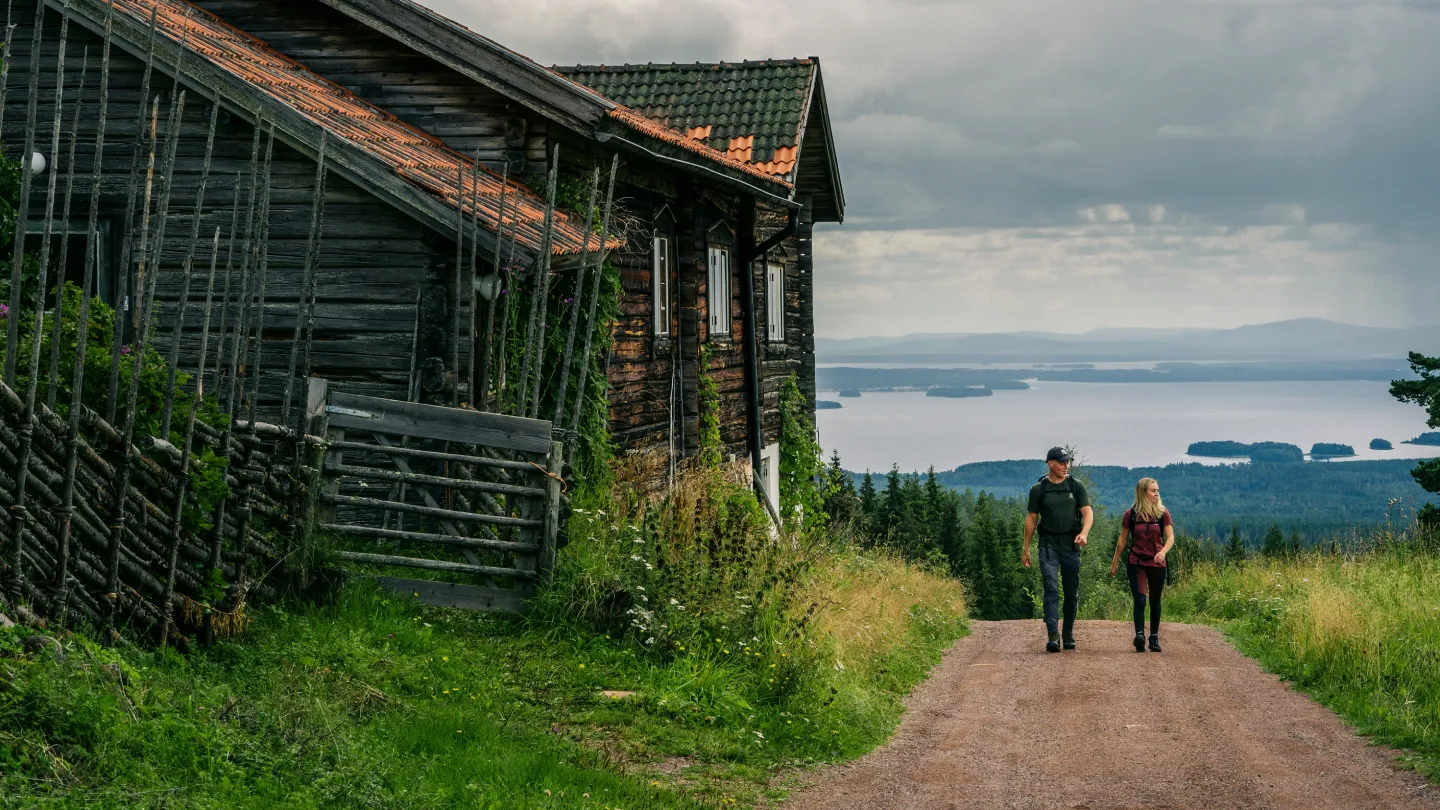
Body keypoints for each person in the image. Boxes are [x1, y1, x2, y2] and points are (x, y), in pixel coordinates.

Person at [1022, 447, 1093, 653]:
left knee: (1071, 593)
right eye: (1061, 462)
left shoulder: (1076, 486)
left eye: (1067, 462)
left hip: (1071, 545)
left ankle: (1068, 633)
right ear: (1050, 463)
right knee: (1051, 588)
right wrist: (1026, 548)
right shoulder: (1039, 489)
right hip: (1047, 545)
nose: (1065, 466)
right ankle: (1053, 635)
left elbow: (1087, 513)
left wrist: (1084, 533)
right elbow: (1031, 519)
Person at [1109, 477, 1175, 652]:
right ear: (1142, 492)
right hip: (1136, 562)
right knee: (1139, 599)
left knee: (1155, 600)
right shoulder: (1130, 514)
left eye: (1157, 491)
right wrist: (1115, 562)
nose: (1156, 494)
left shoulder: (1162, 513)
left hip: (1157, 563)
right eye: (1153, 490)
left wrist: (1163, 552)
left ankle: (1154, 638)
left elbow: (1170, 537)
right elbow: (1123, 540)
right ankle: (1139, 635)